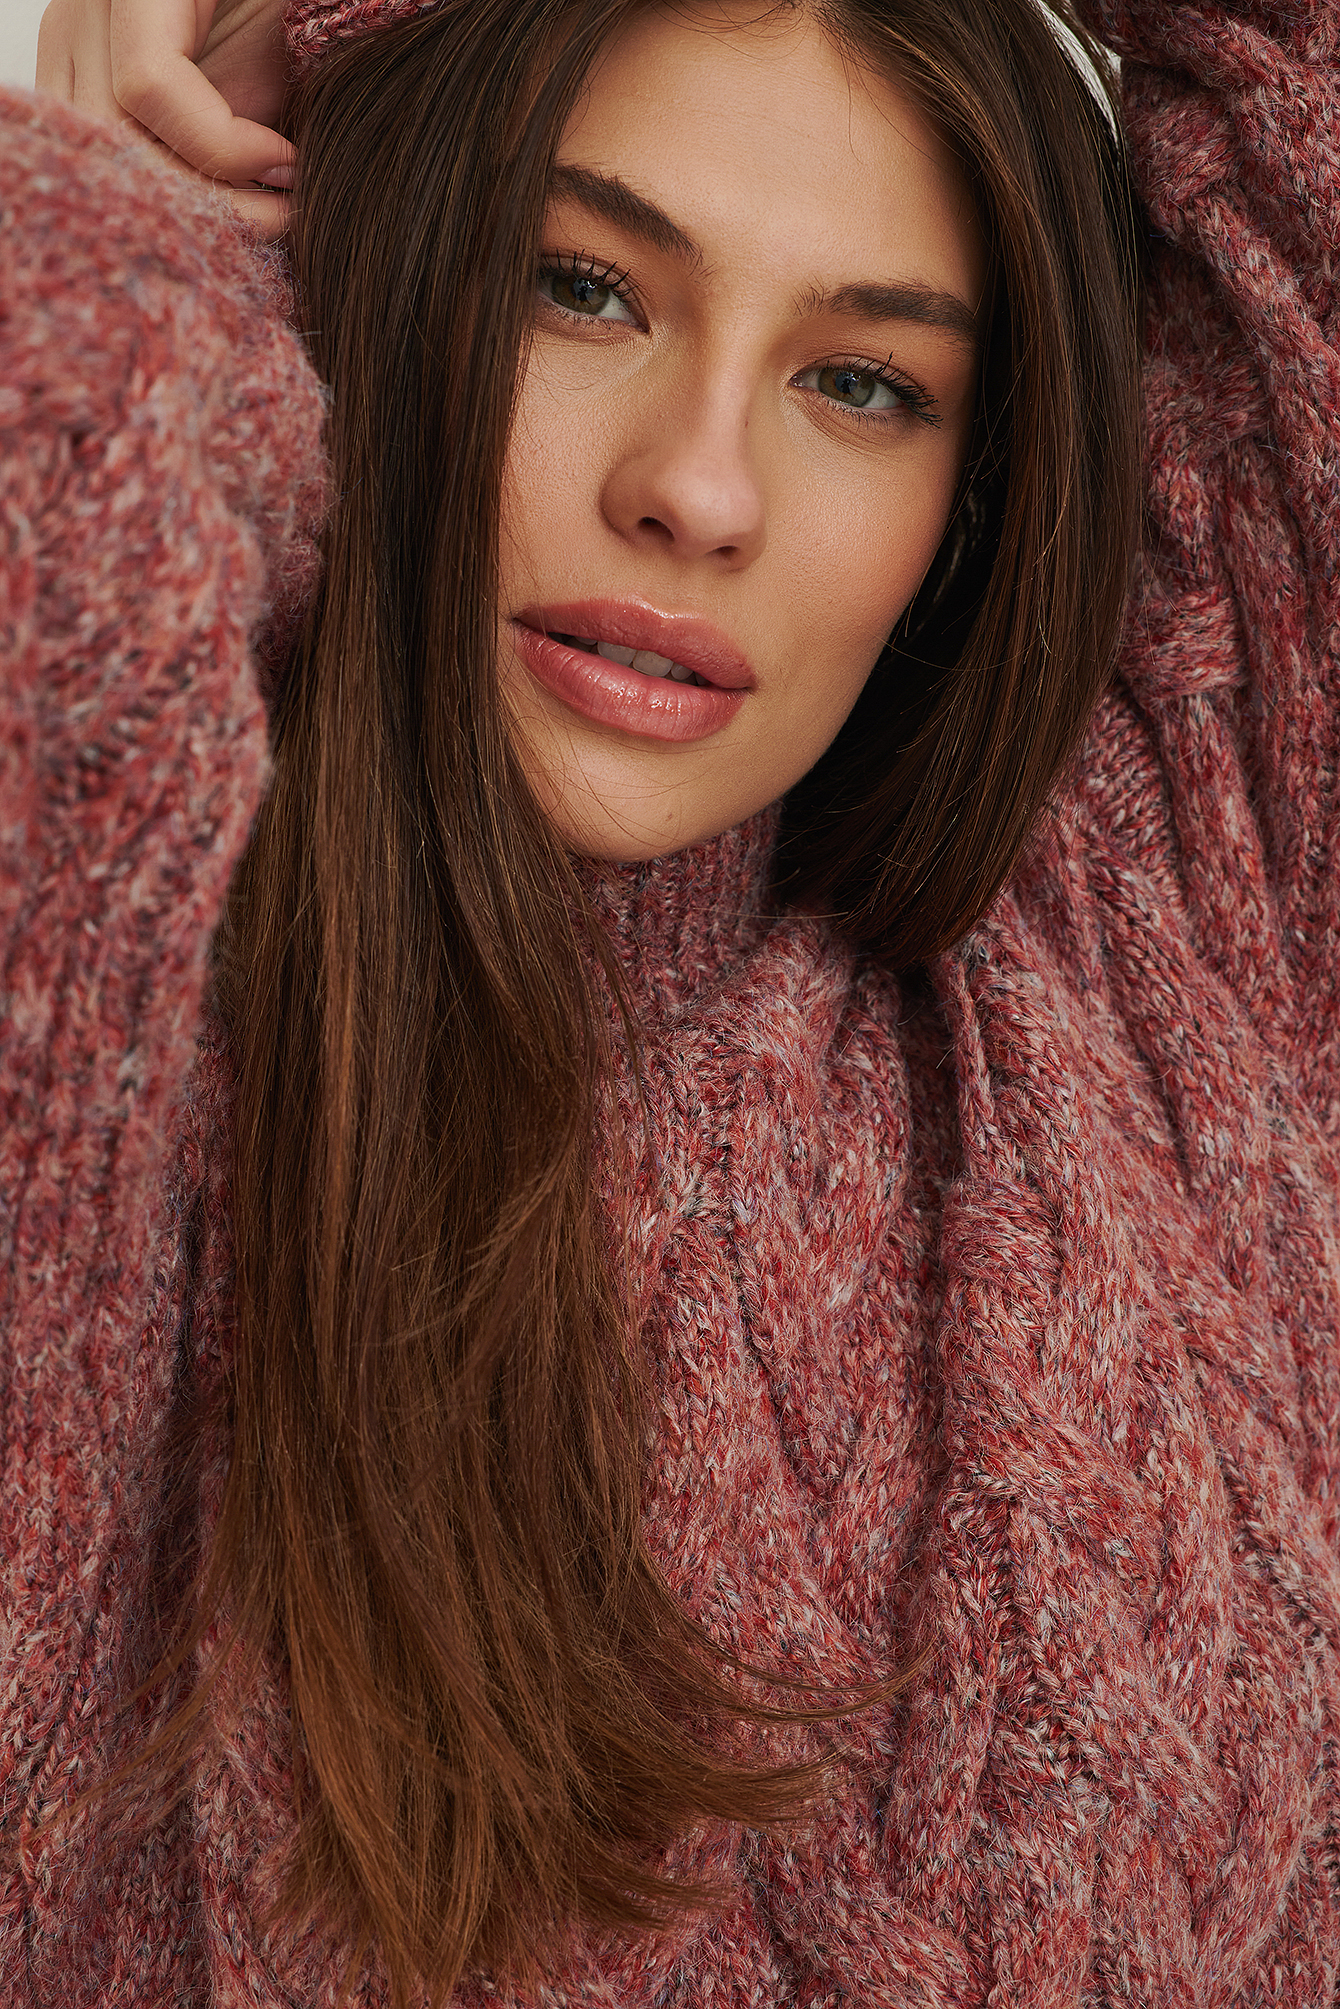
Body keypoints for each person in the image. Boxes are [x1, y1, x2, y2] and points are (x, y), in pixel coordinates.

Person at [2, 0, 1338, 2000]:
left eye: (865, 383)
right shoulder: (91, 1053)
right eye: (580, 286)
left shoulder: (1185, 912)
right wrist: (137, 215)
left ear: (970, 494)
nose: (699, 492)